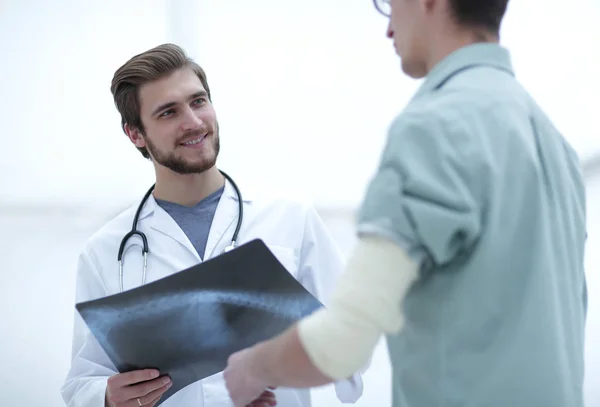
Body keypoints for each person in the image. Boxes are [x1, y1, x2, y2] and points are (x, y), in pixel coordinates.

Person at [223, 0, 588, 406]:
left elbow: (342, 342)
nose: (388, 26)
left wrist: (251, 367)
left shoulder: (435, 127)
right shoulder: (554, 143)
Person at [60, 43, 366, 407]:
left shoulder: (290, 218)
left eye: (198, 101)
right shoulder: (105, 251)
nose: (193, 121)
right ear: (136, 134)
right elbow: (82, 382)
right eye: (169, 112)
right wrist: (108, 397)